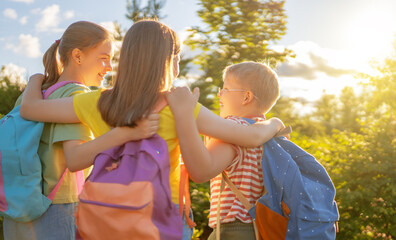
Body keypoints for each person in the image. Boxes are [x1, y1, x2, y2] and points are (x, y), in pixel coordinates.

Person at [20, 20, 285, 240]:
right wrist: (274, 123)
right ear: (169, 60)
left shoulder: (98, 101)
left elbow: (30, 108)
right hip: (159, 218)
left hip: (105, 216)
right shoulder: (179, 105)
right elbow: (252, 137)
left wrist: (36, 78)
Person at [4, 21, 158, 240]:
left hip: (18, 207)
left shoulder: (35, 94)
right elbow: (75, 159)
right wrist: (125, 133)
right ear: (78, 56)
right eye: (103, 58)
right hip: (57, 208)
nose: (108, 67)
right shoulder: (76, 96)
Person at [167, 61, 283, 240]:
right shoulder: (271, 135)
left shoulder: (234, 130)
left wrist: (185, 116)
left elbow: (202, 170)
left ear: (246, 97)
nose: (220, 93)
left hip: (234, 229)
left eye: (226, 89)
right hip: (261, 228)